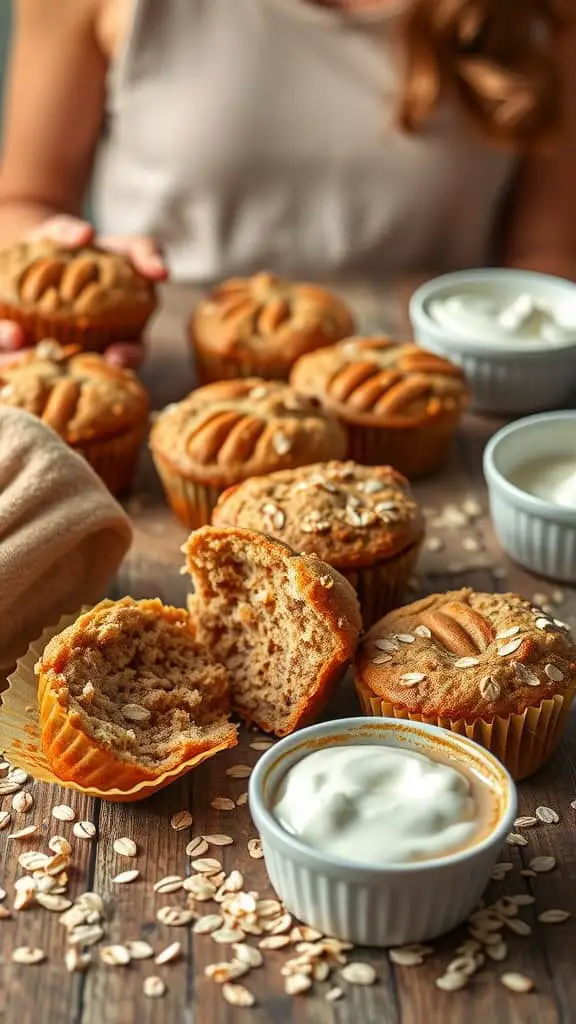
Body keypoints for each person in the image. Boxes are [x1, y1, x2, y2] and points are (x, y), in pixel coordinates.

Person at [0, 0, 574, 368]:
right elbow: (22, 203)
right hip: (158, 369)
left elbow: (548, 265)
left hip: (435, 389)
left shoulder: (542, 16)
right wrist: (63, 264)